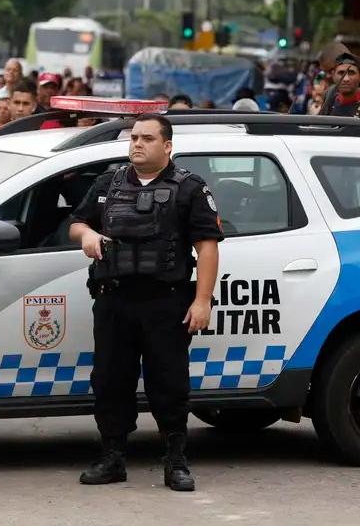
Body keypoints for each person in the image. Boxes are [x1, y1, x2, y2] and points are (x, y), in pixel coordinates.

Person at [68, 113, 222, 493]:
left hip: (165, 303)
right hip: (114, 300)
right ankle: (113, 457)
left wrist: (202, 301)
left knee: (168, 383)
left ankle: (176, 460)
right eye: (134, 137)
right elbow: (75, 223)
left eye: (147, 138)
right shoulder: (109, 182)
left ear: (167, 146)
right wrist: (86, 233)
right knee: (109, 381)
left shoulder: (189, 188)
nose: (137, 144)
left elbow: (207, 247)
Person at [319, 51, 360, 118]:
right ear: (333, 75)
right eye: (341, 73)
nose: (346, 79)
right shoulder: (329, 101)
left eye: (351, 73)